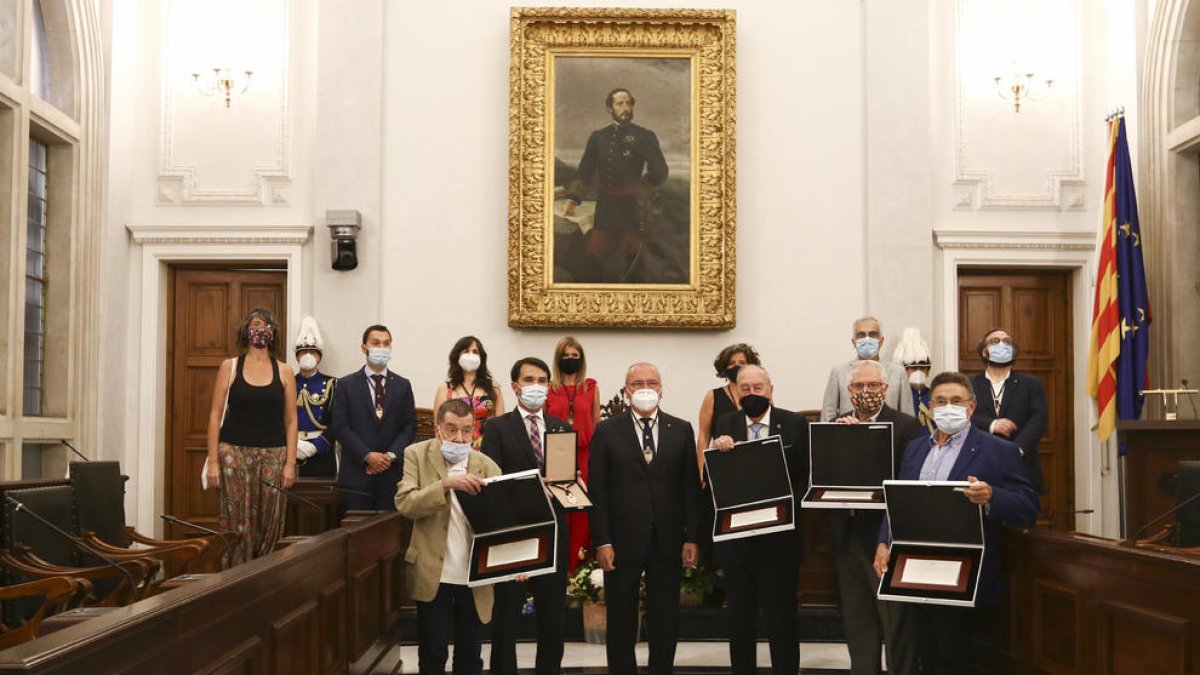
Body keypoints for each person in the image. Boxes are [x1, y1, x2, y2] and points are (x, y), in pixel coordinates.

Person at [874, 371, 1039, 674]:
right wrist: (884, 541)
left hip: (966, 575)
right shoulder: (915, 449)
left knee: (956, 656)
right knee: (926, 654)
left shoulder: (998, 450)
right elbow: (899, 502)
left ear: (972, 407)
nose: (948, 407)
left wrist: (991, 495)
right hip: (915, 570)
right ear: (931, 408)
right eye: (940, 401)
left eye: (956, 401)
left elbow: (1028, 506)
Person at [589, 362, 701, 675]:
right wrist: (603, 540)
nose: (645, 388)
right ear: (627, 391)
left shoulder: (680, 429)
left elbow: (690, 488)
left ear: (661, 389)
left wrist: (692, 536)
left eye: (651, 382)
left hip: (667, 540)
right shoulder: (607, 431)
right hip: (621, 541)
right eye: (637, 383)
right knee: (622, 617)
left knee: (665, 616)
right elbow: (598, 492)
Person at [709, 365, 808, 675]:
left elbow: (806, 475)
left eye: (758, 388)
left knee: (782, 621)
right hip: (739, 544)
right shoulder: (726, 423)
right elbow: (717, 480)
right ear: (737, 392)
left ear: (770, 389)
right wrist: (717, 450)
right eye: (745, 389)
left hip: (779, 542)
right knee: (739, 621)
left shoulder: (793, 424)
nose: (752, 394)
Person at [395, 399, 502, 675]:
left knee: (470, 654)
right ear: (438, 429)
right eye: (452, 429)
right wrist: (444, 485)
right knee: (433, 651)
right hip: (433, 572)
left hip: (474, 574)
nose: (459, 437)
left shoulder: (486, 464)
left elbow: (503, 520)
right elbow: (405, 503)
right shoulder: (416, 454)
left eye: (467, 431)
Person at [830, 360, 923, 675]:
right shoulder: (836, 425)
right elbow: (825, 478)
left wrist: (865, 443)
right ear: (848, 390)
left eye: (873, 386)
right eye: (858, 386)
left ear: (886, 388)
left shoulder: (907, 426)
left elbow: (908, 484)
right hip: (847, 534)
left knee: (895, 622)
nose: (866, 392)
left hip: (886, 538)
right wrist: (843, 443)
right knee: (858, 624)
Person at [482, 357, 573, 675]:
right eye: (529, 379)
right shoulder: (496, 427)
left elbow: (564, 483)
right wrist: (537, 486)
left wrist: (573, 486)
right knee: (507, 614)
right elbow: (493, 482)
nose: (536, 386)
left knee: (552, 616)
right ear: (515, 386)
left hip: (555, 530)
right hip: (514, 530)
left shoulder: (562, 428)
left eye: (543, 380)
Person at [205, 308, 297, 566]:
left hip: (274, 455)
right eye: (256, 324)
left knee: (270, 523)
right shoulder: (230, 366)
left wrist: (290, 463)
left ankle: (264, 580)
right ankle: (233, 580)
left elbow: (291, 421)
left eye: (267, 325)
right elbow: (214, 416)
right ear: (246, 330)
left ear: (273, 333)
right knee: (236, 524)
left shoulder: (285, 371)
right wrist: (213, 461)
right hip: (233, 454)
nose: (261, 329)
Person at [565, 88, 669, 283]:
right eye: (620, 104)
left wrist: (645, 189)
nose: (625, 108)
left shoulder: (645, 136)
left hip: (632, 207)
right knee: (595, 252)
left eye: (629, 103)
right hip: (605, 207)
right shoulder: (598, 137)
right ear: (609, 108)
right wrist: (573, 199)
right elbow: (585, 169)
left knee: (633, 255)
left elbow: (661, 171)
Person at [330, 324, 418, 511]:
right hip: (357, 473)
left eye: (386, 343)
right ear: (364, 348)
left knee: (388, 533)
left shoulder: (403, 385)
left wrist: (390, 456)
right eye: (376, 343)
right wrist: (367, 455)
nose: (381, 347)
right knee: (355, 531)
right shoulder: (345, 385)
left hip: (392, 474)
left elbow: (410, 426)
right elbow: (340, 426)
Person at [969, 327, 1048, 496]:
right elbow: (963, 416)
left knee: (1019, 519)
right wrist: (991, 425)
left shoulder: (1030, 384)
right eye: (995, 341)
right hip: (979, 463)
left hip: (1021, 466)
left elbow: (1039, 420)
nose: (1002, 345)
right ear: (984, 352)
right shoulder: (969, 384)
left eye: (1007, 342)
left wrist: (1015, 450)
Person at [545, 336, 600, 572]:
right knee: (559, 510)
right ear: (558, 359)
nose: (570, 360)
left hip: (586, 455)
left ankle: (579, 571)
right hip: (556, 453)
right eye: (565, 356)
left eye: (574, 356)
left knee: (581, 513)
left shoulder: (590, 386)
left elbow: (597, 423)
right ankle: (558, 568)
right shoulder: (549, 388)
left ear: (581, 359)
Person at [821, 316, 915, 421]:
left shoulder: (898, 372)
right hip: (849, 433)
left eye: (873, 334)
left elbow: (908, 415)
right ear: (854, 342)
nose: (867, 339)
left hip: (890, 434)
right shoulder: (839, 372)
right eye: (861, 335)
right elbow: (828, 414)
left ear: (881, 341)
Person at [433, 336, 505, 449]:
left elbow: (501, 425)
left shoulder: (493, 387)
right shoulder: (446, 388)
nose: (471, 355)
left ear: (481, 358)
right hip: (455, 448)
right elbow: (438, 427)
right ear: (457, 356)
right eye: (466, 351)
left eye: (475, 352)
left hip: (488, 449)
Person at [293, 316, 337, 478]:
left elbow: (336, 422)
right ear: (297, 356)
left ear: (319, 356)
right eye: (303, 352)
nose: (308, 355)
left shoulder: (332, 384)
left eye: (312, 352)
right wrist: (292, 444)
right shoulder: (287, 383)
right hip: (292, 450)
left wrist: (317, 445)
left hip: (322, 452)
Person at [891, 327, 935, 435]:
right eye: (914, 368)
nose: (919, 372)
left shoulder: (934, 396)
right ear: (904, 370)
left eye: (923, 368)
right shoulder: (898, 397)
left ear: (928, 371)